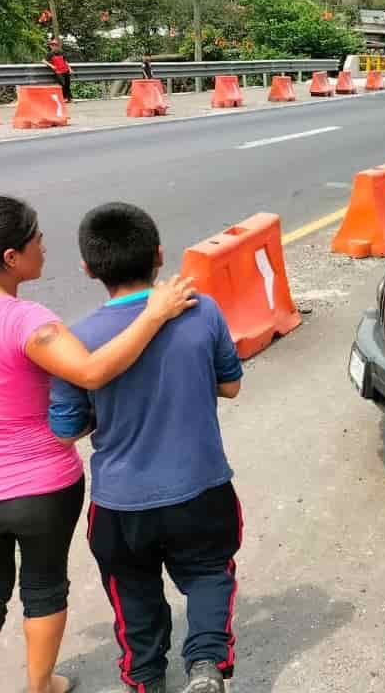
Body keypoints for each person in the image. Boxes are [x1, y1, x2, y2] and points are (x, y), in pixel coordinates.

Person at [0, 196, 196, 693]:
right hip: (39, 483)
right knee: (42, 587)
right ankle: (41, 686)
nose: (43, 244)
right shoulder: (24, 319)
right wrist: (156, 315)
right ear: (11, 258)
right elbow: (93, 371)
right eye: (35, 237)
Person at [48, 203, 245, 693]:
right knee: (208, 575)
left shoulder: (78, 341)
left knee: (132, 595)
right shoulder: (204, 311)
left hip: (120, 504)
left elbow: (66, 430)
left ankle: (145, 678)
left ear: (88, 269)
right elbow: (231, 386)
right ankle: (204, 665)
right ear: (159, 255)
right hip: (201, 487)